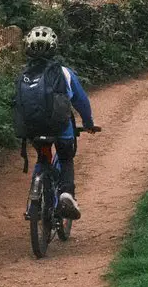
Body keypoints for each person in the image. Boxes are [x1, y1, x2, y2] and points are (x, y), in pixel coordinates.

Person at [12, 25, 95, 218]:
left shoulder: (23, 75)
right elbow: (81, 101)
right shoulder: (64, 72)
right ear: (54, 48)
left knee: (43, 158)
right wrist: (88, 123)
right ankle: (66, 194)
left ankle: (34, 201)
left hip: (32, 129)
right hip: (61, 128)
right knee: (65, 158)